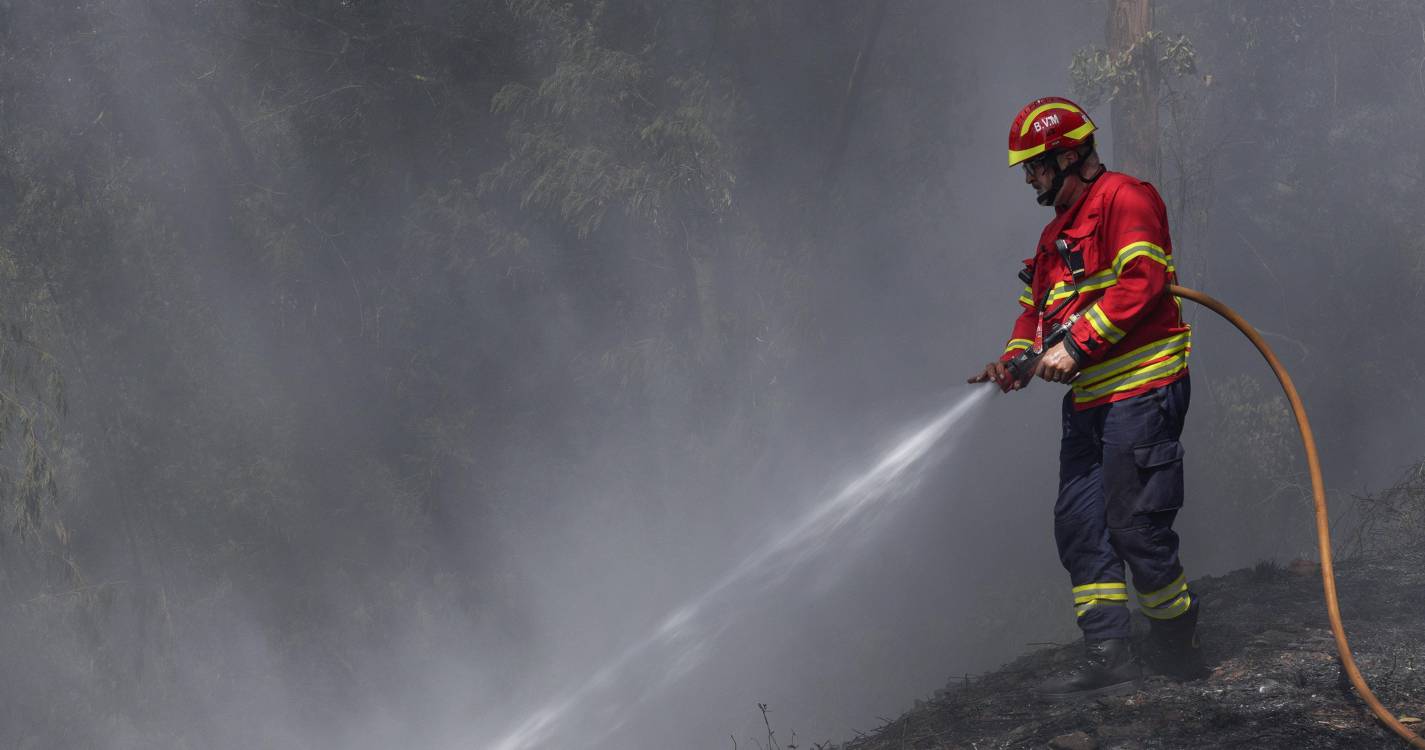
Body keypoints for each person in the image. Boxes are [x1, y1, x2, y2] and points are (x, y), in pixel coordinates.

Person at [967, 96, 1205, 699]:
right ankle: (1108, 653)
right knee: (1079, 525)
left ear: (1069, 156)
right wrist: (1017, 361)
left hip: (1143, 387)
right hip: (1090, 404)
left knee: (1133, 523)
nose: (1028, 178)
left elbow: (1144, 280)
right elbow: (1036, 316)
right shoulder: (1053, 237)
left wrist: (1077, 345)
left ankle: (1177, 643)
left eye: (1036, 166)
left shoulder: (1125, 199)